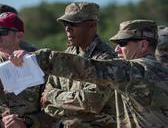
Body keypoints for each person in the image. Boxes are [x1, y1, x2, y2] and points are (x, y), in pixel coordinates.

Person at [11, 19, 168, 127]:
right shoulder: (159, 71)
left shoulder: (136, 71)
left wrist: (39, 58)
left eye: (122, 43)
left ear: (143, 45)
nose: (116, 49)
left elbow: (88, 69)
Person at [0, 12, 57, 128]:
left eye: (3, 31)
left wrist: (28, 122)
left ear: (19, 35)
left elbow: (57, 109)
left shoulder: (38, 65)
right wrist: (0, 122)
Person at [41, 2, 116, 127]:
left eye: (74, 23)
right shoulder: (67, 54)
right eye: (66, 24)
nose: (67, 29)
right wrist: (65, 104)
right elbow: (46, 103)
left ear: (92, 25)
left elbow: (91, 101)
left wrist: (52, 95)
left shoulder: (105, 59)